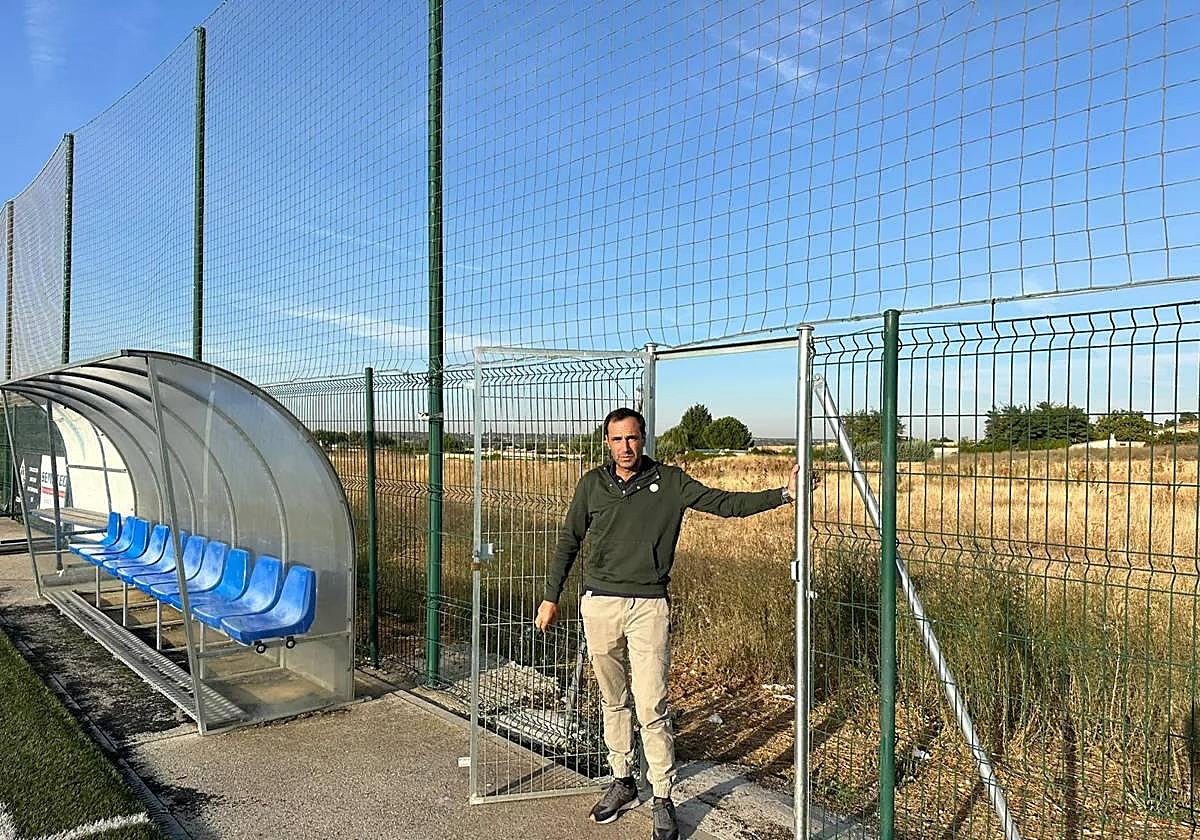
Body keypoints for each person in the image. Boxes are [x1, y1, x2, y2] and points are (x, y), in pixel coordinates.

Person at [535, 407, 800, 840]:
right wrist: (551, 597)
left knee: (651, 704)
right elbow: (569, 541)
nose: (626, 447)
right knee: (612, 699)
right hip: (599, 603)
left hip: (648, 607)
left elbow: (724, 503)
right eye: (617, 439)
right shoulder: (592, 485)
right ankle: (621, 780)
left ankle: (662, 796)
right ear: (607, 441)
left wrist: (783, 495)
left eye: (633, 438)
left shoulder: (670, 482)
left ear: (644, 439)